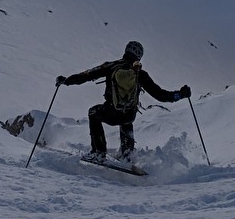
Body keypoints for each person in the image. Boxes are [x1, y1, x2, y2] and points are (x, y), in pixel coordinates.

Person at [56, 40, 190, 161]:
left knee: (93, 113)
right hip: (129, 115)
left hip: (110, 111)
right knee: (127, 120)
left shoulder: (111, 66)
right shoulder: (139, 74)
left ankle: (99, 152)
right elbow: (160, 95)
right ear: (139, 56)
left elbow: (86, 75)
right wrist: (181, 95)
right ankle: (127, 155)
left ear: (126, 51)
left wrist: (67, 81)